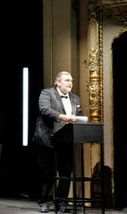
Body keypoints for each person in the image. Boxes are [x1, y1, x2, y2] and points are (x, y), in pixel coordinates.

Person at [33, 71, 83, 213]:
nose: (70, 83)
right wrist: (62, 117)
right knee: (47, 171)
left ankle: (62, 202)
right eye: (67, 80)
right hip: (47, 139)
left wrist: (81, 120)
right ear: (57, 82)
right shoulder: (47, 93)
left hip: (66, 140)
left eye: (71, 81)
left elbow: (79, 115)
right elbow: (44, 109)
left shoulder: (75, 98)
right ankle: (45, 201)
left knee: (66, 172)